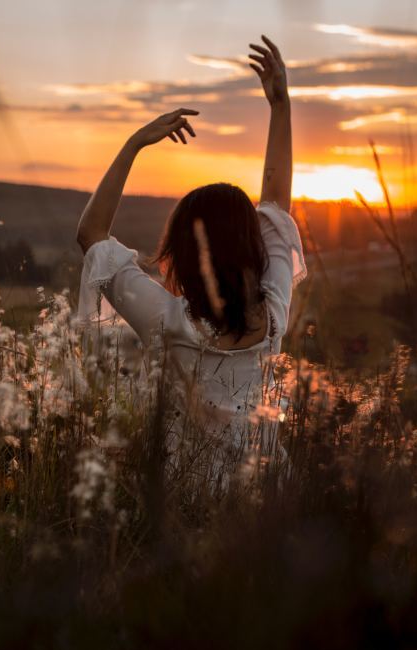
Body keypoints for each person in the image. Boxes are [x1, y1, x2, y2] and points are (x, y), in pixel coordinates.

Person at [75, 36, 306, 475]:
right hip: (265, 496)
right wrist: (281, 107)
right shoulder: (274, 311)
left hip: (188, 509)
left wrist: (135, 143)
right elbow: (276, 204)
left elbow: (91, 235)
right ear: (251, 249)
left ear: (183, 252)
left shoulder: (168, 320)